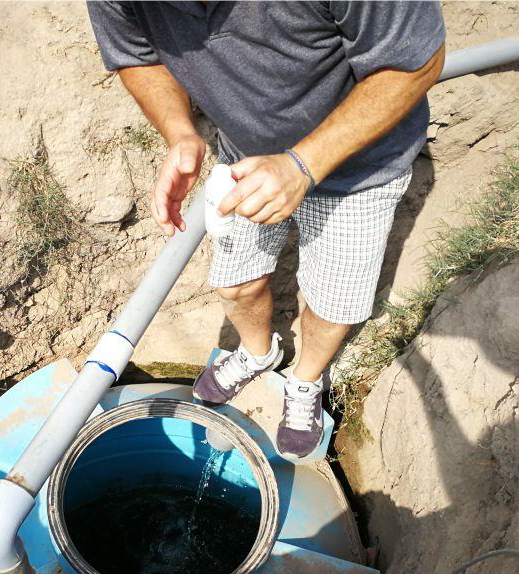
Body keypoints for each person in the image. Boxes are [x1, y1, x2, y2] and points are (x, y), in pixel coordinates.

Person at [86, 0, 446, 458]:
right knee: (235, 284)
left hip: (361, 171)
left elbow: (415, 62)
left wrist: (303, 165)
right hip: (245, 157)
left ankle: (305, 380)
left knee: (332, 302)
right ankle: (257, 354)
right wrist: (180, 132)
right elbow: (136, 54)